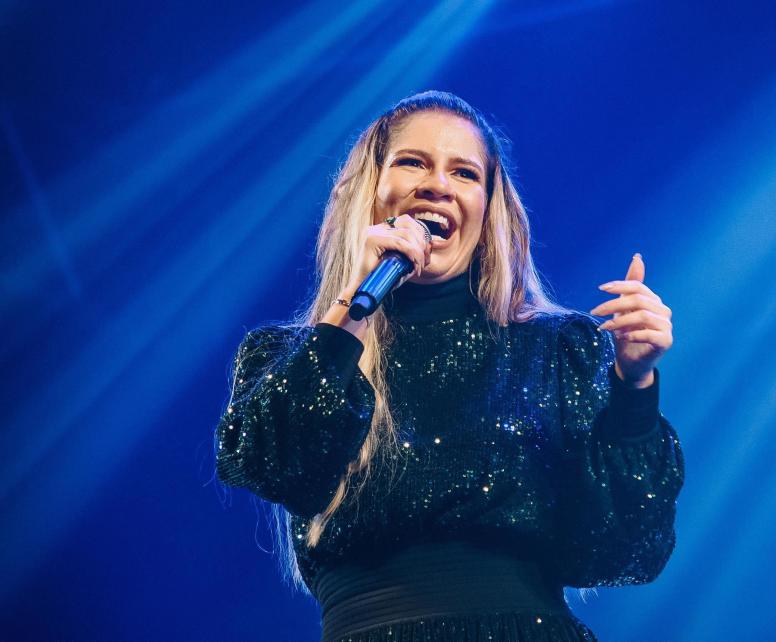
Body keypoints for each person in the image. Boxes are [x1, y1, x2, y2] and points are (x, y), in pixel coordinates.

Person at [215, 90, 684, 641]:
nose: (436, 184)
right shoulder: (292, 356)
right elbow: (272, 464)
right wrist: (350, 314)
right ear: (370, 190)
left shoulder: (555, 351)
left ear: (488, 210)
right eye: (413, 162)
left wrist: (634, 386)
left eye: (464, 173)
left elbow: (626, 551)